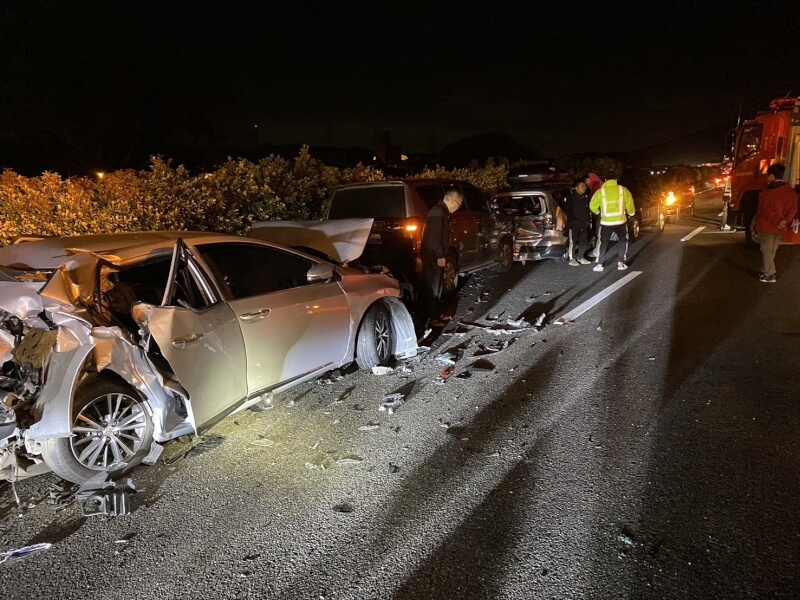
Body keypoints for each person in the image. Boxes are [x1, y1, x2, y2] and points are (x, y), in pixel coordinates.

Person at [420, 189, 463, 324]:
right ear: (452, 200)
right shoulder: (438, 212)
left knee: (436, 287)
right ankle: (431, 318)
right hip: (432, 256)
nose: (458, 208)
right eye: (459, 204)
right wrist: (440, 255)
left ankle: (435, 315)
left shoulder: (439, 211)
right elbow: (434, 238)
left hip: (433, 255)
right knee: (433, 288)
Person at [756, 163, 797, 283]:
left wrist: (777, 221)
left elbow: (766, 209)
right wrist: (785, 221)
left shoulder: (767, 191)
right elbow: (793, 208)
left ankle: (770, 274)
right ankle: (764, 270)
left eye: (768, 175)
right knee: (772, 249)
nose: (767, 177)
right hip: (780, 226)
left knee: (766, 249)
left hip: (767, 225)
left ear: (773, 176)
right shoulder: (789, 190)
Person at [589, 178, 636, 271]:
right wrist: (631, 214)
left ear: (605, 180)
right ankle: (621, 263)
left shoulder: (600, 192)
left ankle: (600, 264)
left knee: (603, 242)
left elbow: (592, 206)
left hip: (606, 222)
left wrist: (598, 213)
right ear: (616, 179)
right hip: (620, 221)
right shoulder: (623, 190)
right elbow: (630, 203)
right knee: (622, 241)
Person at [564, 179, 593, 265]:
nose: (584, 188)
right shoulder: (571, 198)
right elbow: (567, 211)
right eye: (582, 186)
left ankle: (581, 257)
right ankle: (572, 259)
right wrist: (573, 221)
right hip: (574, 225)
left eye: (585, 186)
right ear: (576, 188)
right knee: (573, 241)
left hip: (584, 224)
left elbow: (588, 210)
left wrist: (588, 220)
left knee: (584, 241)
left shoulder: (585, 198)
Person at [584, 173, 604, 258]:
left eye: (587, 182)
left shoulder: (597, 186)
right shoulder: (598, 185)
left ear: (590, 179)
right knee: (598, 232)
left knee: (598, 233)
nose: (587, 184)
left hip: (599, 213)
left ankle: (598, 251)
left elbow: (593, 201)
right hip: (600, 213)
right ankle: (597, 249)